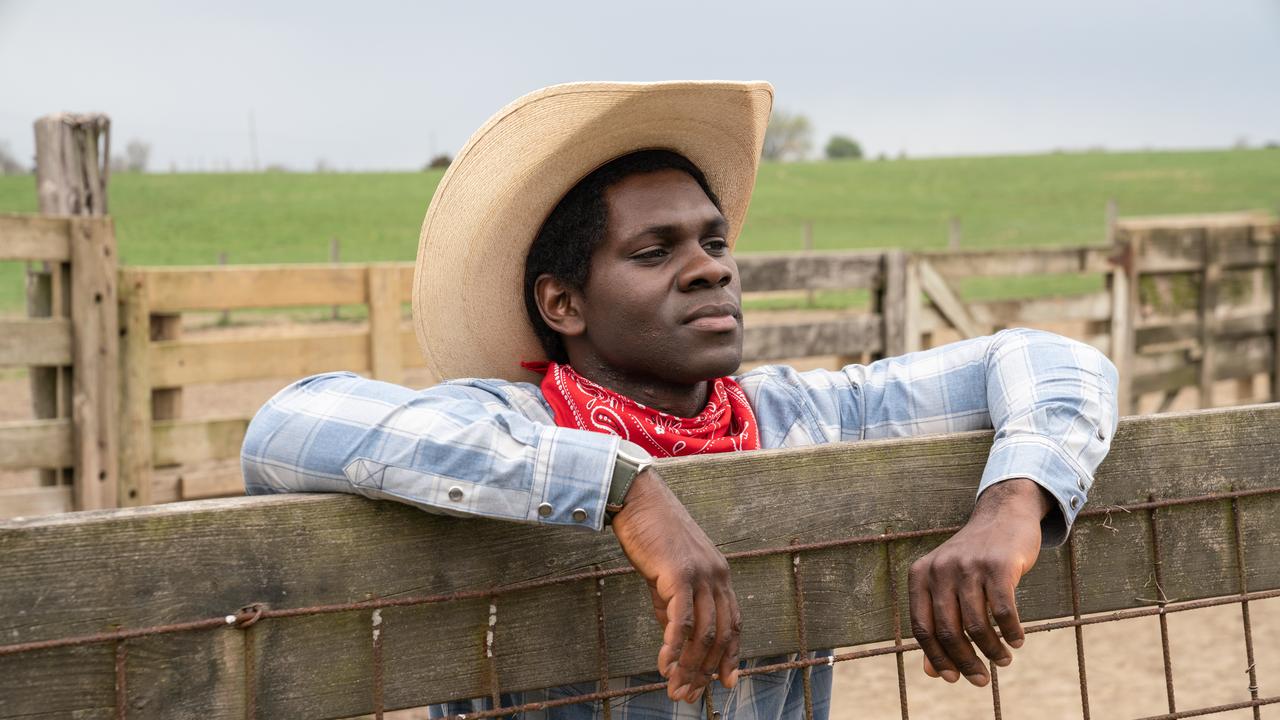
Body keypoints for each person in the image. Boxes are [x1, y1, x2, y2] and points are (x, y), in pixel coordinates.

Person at [241, 81, 1118, 719]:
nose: (711, 266)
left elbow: (1051, 360)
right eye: (655, 250)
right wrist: (625, 488)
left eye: (712, 239)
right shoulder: (516, 423)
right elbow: (289, 422)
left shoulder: (796, 419)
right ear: (563, 304)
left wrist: (1015, 503)